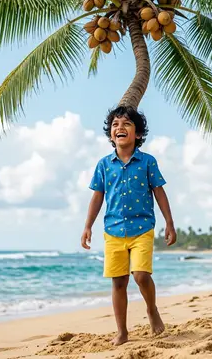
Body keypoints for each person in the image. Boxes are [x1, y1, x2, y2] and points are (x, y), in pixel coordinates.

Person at [81, 106, 176, 346]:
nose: (120, 127)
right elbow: (97, 197)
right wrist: (87, 226)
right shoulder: (104, 165)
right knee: (119, 282)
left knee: (141, 276)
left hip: (142, 227)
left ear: (138, 134)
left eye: (126, 124)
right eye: (115, 124)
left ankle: (151, 309)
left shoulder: (147, 162)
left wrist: (169, 222)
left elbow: (159, 192)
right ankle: (122, 331)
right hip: (113, 230)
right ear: (111, 135)